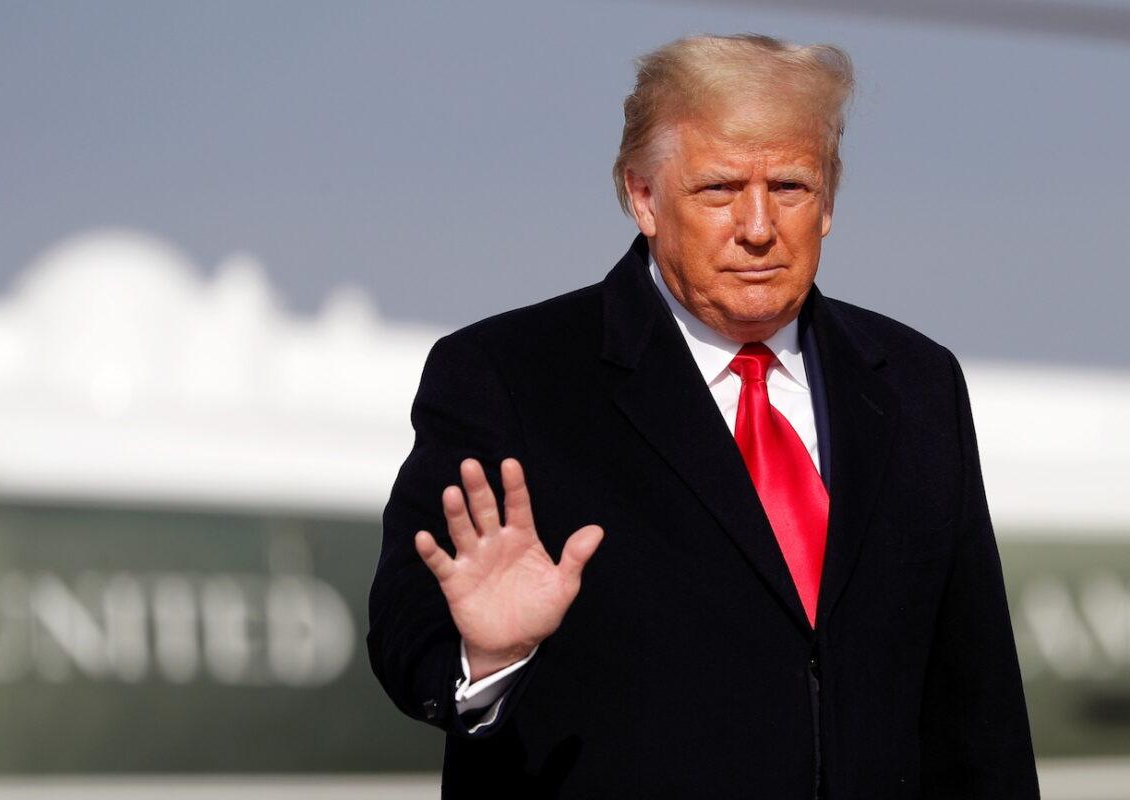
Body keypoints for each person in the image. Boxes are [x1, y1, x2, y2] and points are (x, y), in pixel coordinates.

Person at [369, 34, 1038, 798]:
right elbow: (405, 628)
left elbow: (978, 715)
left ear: (830, 201)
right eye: (720, 190)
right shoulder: (509, 376)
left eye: (790, 187)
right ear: (643, 197)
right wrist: (486, 659)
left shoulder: (919, 385)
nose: (758, 226)